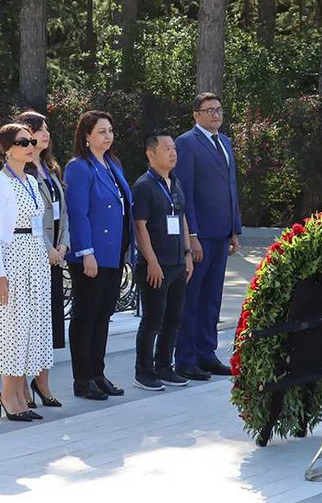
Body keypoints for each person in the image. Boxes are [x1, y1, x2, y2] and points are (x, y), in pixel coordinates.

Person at [0, 123, 53, 421]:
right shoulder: (0, 183)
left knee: (32, 326)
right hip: (13, 257)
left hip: (34, 256)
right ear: (7, 149)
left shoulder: (32, 181)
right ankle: (8, 394)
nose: (30, 146)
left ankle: (21, 391)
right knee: (14, 327)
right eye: (23, 142)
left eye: (32, 141)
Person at [64, 110, 133, 400]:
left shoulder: (112, 164)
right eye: (102, 131)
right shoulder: (79, 167)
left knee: (104, 314)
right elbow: (78, 213)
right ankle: (83, 378)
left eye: (110, 130)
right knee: (86, 315)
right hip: (91, 255)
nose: (108, 136)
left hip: (113, 253)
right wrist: (86, 252)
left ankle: (98, 373)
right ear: (86, 136)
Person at [174, 92, 241, 380]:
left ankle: (206, 352)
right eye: (209, 110)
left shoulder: (224, 142)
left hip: (222, 233)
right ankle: (186, 358)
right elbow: (184, 192)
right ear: (196, 115)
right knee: (192, 297)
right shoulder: (187, 143)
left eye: (218, 109)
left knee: (212, 298)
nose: (215, 114)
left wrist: (235, 229)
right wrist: (192, 235)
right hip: (200, 235)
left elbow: (231, 188)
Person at [131, 131, 194, 391]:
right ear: (150, 153)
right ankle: (143, 371)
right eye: (167, 148)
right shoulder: (144, 186)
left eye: (174, 149)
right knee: (153, 319)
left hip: (178, 263)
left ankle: (164, 366)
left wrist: (188, 253)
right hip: (155, 265)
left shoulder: (175, 183)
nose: (172, 153)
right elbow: (140, 226)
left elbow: (181, 218)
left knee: (174, 317)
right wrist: (152, 261)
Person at [16, 110, 68, 408]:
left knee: (48, 326)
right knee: (28, 325)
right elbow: (30, 220)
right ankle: (21, 387)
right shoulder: (21, 172)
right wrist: (47, 248)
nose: (46, 133)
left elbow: (64, 212)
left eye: (47, 128)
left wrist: (62, 246)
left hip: (55, 257)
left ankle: (44, 385)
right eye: (39, 129)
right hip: (34, 257)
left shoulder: (50, 168)